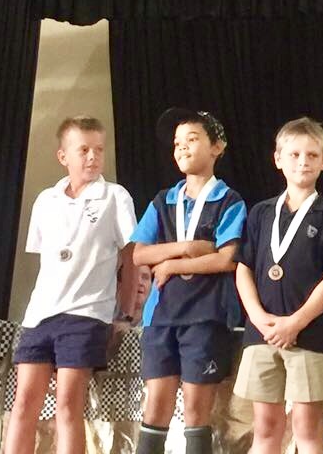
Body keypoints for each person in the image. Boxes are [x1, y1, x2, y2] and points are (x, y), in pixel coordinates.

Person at [4, 116, 138, 454]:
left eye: (99, 150)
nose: (93, 157)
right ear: (63, 156)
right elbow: (47, 260)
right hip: (40, 314)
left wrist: (125, 312)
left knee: (67, 405)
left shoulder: (115, 196)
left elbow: (132, 256)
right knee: (23, 403)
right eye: (84, 150)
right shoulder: (46, 199)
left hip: (86, 313)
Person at [233, 117, 323, 454]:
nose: (303, 161)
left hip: (309, 334)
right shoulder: (261, 213)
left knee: (307, 428)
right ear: (278, 159)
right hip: (262, 333)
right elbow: (243, 268)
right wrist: (258, 317)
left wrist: (296, 323)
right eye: (294, 154)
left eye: (312, 155)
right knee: (265, 427)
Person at [131, 108, 246, 454]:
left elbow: (227, 258)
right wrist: (186, 249)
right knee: (155, 408)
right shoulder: (163, 200)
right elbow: (138, 254)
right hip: (160, 316)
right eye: (177, 142)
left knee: (196, 412)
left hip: (205, 316)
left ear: (217, 147)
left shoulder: (229, 200)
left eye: (192, 139)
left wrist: (169, 265)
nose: (182, 147)